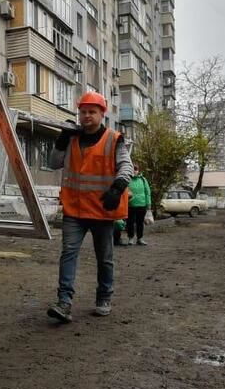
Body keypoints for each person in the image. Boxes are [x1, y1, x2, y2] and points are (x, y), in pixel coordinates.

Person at [45, 91, 133, 322]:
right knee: (68, 253)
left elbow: (126, 166)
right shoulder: (72, 138)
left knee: (104, 257)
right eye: (83, 112)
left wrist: (118, 187)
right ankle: (64, 302)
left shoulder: (114, 139)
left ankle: (104, 297)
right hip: (74, 209)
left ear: (102, 114)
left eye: (92, 112)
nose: (86, 116)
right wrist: (62, 139)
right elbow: (53, 163)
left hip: (102, 211)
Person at [125, 170, 152, 245]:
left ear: (138, 171)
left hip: (142, 204)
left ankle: (140, 239)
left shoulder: (143, 180)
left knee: (140, 223)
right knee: (130, 222)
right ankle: (130, 238)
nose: (134, 171)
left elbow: (147, 192)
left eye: (136, 169)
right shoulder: (127, 179)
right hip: (130, 205)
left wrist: (148, 203)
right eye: (132, 169)